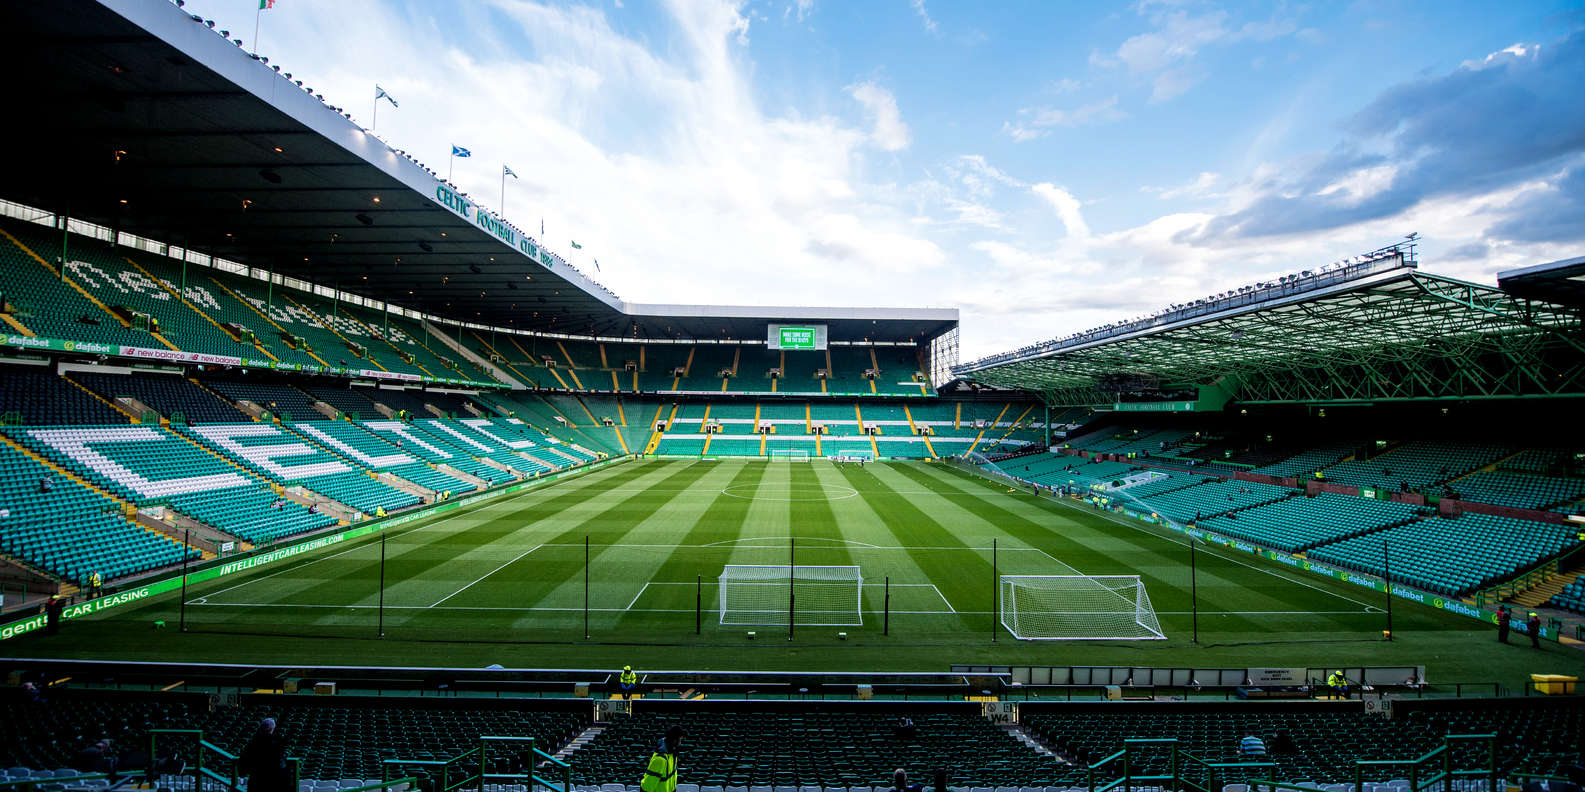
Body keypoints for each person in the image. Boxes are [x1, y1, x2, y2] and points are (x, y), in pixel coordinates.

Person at [240, 718, 290, 792]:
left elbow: (244, 761)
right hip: (273, 781)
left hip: (256, 780)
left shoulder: (253, 742)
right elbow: (281, 764)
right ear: (272, 729)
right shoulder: (277, 742)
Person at [639, 725, 683, 792]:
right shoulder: (660, 760)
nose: (680, 742)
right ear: (674, 740)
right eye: (680, 739)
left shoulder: (673, 754)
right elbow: (647, 787)